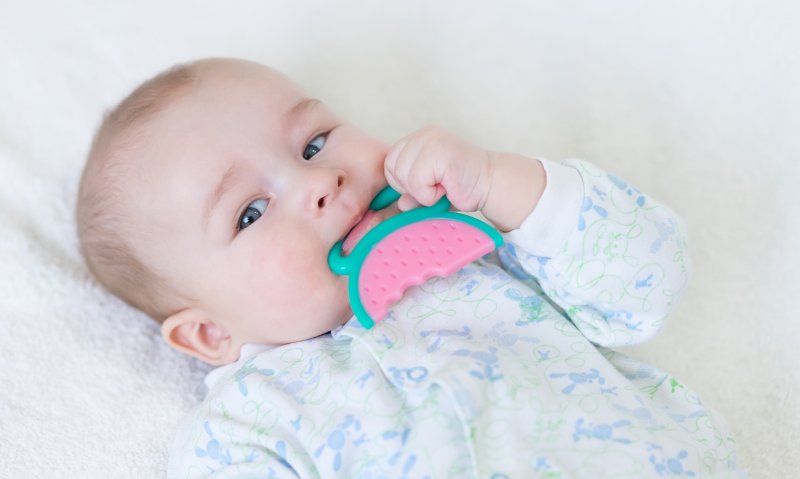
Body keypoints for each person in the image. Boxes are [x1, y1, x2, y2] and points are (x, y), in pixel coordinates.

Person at [77, 58, 742, 478]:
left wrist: (497, 184)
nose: (320, 182)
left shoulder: (475, 243)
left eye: (313, 142)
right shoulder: (248, 425)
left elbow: (647, 277)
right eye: (250, 212)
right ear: (209, 335)